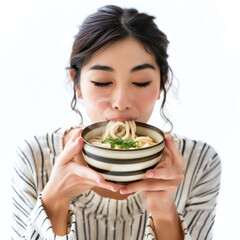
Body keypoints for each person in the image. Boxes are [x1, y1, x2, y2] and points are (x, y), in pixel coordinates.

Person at [11, 5, 221, 240]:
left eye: (141, 82)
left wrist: (164, 214)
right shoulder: (34, 159)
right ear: (77, 84)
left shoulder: (199, 163)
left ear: (161, 84)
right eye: (102, 82)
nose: (121, 103)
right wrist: (55, 200)